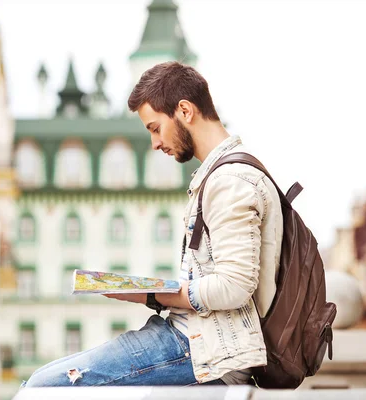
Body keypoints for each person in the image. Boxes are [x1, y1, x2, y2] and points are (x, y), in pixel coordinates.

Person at [20, 61, 284, 388]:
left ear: (185, 111)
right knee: (40, 379)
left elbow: (234, 285)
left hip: (205, 349)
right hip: (193, 337)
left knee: (43, 386)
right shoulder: (222, 175)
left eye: (155, 128)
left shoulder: (230, 181)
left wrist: (156, 294)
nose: (155, 144)